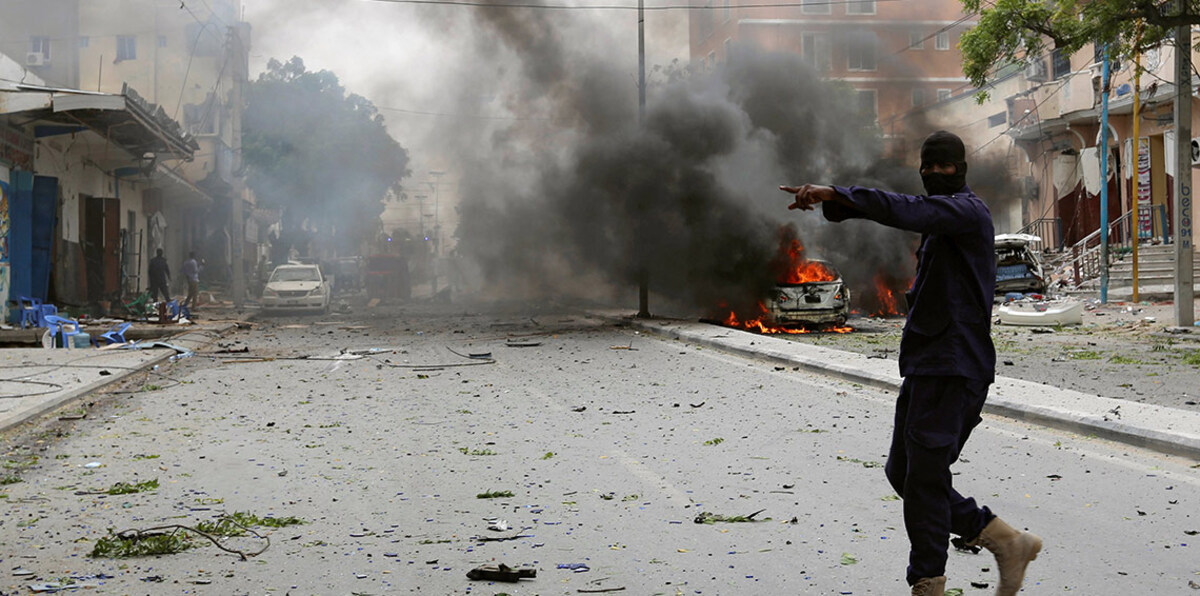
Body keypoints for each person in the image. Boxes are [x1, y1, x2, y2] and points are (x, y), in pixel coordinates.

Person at [780, 131, 1041, 596]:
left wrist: (836, 194)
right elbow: (905, 212)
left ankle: (927, 582)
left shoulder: (966, 212)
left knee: (922, 479)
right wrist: (836, 204)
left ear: (961, 169)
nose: (935, 173)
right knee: (903, 472)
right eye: (929, 167)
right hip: (927, 364)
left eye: (945, 166)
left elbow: (905, 209)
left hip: (954, 365)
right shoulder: (942, 222)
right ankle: (1003, 539)